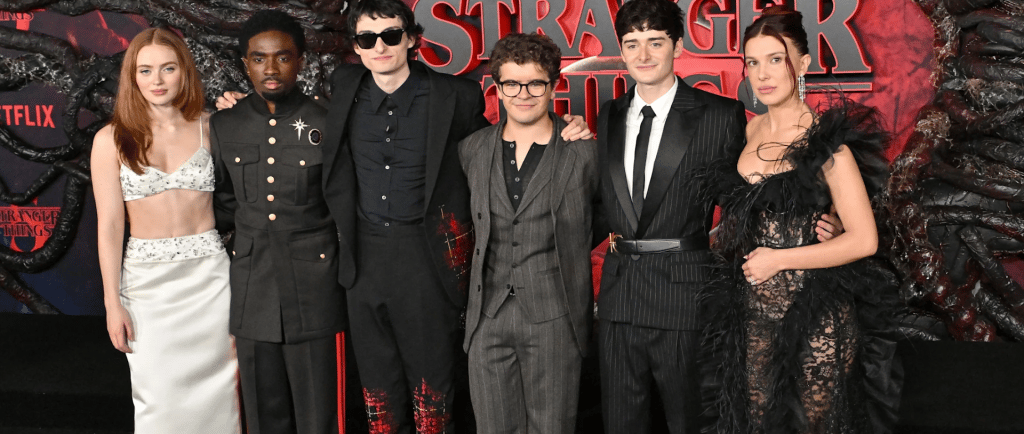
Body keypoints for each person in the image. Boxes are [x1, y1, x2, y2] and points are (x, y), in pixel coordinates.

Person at [700, 6, 901, 434]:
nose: (763, 74)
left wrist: (779, 259)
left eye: (776, 59)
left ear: (804, 64)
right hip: (752, 314)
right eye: (753, 62)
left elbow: (864, 240)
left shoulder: (826, 144)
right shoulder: (748, 131)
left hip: (816, 315)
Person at [91, 27, 241, 433]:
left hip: (211, 282)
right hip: (146, 288)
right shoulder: (111, 139)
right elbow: (110, 227)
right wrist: (112, 303)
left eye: (168, 68)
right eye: (145, 70)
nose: (156, 80)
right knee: (158, 401)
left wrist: (247, 106)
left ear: (184, 71)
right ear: (133, 77)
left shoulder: (214, 127)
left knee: (222, 398)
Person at [210, 10, 344, 434]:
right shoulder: (225, 124)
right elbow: (224, 200)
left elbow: (343, 204)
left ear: (301, 60)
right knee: (263, 414)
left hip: (316, 287)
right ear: (245, 64)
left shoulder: (327, 122)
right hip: (253, 288)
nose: (271, 68)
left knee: (320, 416)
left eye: (283, 57)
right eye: (259, 58)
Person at [459, 33, 598, 434]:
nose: (523, 94)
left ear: (554, 86)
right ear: (497, 88)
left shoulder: (584, 152)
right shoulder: (472, 150)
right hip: (486, 318)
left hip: (554, 317)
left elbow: (599, 220)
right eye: (512, 84)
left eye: (535, 83)